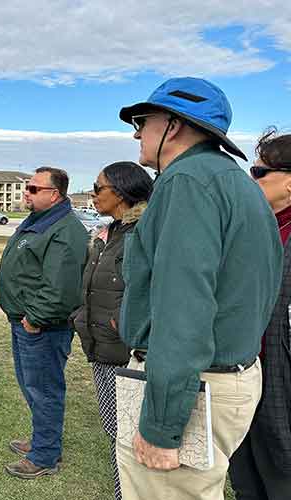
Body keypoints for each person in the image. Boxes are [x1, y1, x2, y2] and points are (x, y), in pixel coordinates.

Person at [116, 77, 282, 500]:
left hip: (193, 384)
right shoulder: (237, 183)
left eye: (143, 120)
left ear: (173, 126)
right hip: (225, 378)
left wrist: (162, 425)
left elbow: (182, 308)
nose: (136, 132)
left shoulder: (186, 181)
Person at [0, 166, 89, 479]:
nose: (27, 193)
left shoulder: (66, 229)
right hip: (25, 322)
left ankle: (45, 455)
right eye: (28, 187)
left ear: (55, 194)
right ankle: (43, 441)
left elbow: (60, 286)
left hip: (43, 326)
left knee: (44, 390)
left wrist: (34, 319)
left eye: (35, 189)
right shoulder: (40, 220)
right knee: (31, 386)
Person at [69, 161, 153, 498]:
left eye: (98, 187)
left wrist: (128, 323)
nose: (92, 193)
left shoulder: (144, 233)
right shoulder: (111, 232)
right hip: (102, 347)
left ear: (121, 192)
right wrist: (81, 316)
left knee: (131, 436)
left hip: (127, 354)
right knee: (115, 431)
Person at [229, 129, 291, 500]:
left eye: (259, 172)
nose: (252, 179)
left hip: (281, 388)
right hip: (247, 379)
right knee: (246, 482)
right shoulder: (259, 227)